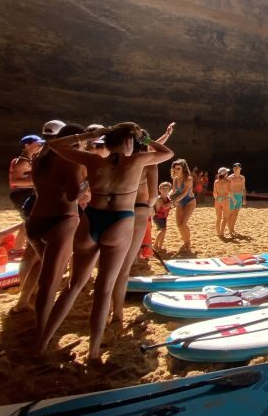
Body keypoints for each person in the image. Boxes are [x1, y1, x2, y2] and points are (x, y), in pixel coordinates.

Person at [38, 123, 173, 359]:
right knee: (104, 289)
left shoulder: (93, 161)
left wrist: (91, 135)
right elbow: (167, 154)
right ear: (129, 143)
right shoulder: (136, 162)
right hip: (118, 221)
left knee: (73, 286)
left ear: (107, 143)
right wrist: (146, 136)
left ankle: (41, 343)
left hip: (91, 219)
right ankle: (93, 352)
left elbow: (54, 144)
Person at [23, 123, 87, 338]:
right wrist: (87, 185)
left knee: (46, 276)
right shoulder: (71, 161)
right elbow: (72, 196)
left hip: (35, 221)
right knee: (50, 282)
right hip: (62, 219)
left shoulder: (40, 159)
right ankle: (41, 333)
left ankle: (38, 321)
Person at [110, 122, 175, 326]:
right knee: (124, 268)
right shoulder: (147, 163)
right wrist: (150, 207)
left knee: (110, 265)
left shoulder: (114, 160)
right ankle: (117, 313)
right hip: (137, 210)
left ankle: (109, 308)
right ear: (142, 142)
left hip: (114, 210)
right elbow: (154, 195)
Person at [9, 135, 43, 211]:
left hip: (23, 194)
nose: (40, 146)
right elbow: (14, 182)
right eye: (37, 144)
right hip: (22, 194)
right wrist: (36, 182)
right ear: (27, 145)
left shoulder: (25, 160)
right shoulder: (23, 162)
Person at [170, 159, 196, 251]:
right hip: (180, 202)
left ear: (183, 169)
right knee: (178, 224)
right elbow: (173, 191)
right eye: (174, 168)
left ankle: (188, 243)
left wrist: (174, 201)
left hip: (189, 202)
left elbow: (185, 193)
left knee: (183, 223)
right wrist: (165, 198)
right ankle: (185, 242)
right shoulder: (175, 179)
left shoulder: (188, 178)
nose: (176, 170)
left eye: (178, 168)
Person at [152, 181, 173, 251]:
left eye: (167, 188)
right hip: (158, 217)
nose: (165, 189)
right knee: (163, 230)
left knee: (164, 232)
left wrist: (172, 203)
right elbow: (165, 206)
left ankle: (160, 247)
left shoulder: (168, 197)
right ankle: (155, 245)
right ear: (159, 189)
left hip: (164, 217)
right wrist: (172, 203)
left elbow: (171, 204)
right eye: (163, 188)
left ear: (169, 190)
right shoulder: (159, 199)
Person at [227, 163, 247, 236]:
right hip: (232, 196)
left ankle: (232, 229)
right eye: (234, 168)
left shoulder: (242, 178)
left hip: (239, 196)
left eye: (237, 168)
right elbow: (227, 189)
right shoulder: (230, 177)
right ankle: (230, 230)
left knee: (236, 214)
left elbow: (243, 188)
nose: (235, 169)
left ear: (240, 168)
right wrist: (231, 197)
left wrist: (244, 198)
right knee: (231, 214)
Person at [213, 167, 231, 238]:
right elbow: (229, 193)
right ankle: (221, 233)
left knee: (218, 218)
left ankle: (218, 233)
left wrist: (218, 199)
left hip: (218, 200)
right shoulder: (228, 182)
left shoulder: (216, 182)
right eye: (227, 172)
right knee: (225, 218)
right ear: (225, 174)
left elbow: (214, 193)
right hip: (225, 200)